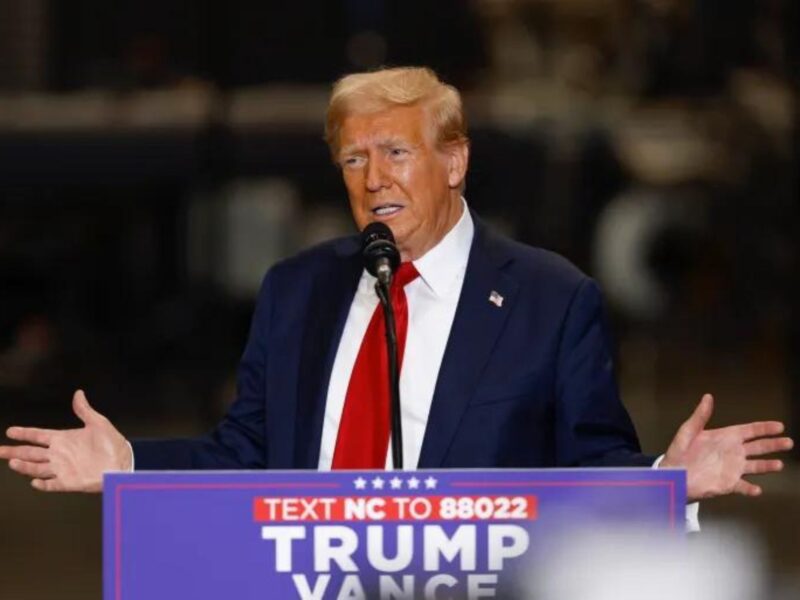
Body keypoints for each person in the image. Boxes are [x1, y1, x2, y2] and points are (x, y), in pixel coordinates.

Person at [0, 68, 792, 511]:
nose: (373, 178)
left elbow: (584, 466)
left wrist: (666, 479)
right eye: (352, 159)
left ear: (454, 161)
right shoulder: (297, 290)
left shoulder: (553, 301)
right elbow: (248, 454)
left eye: (395, 153)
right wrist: (130, 463)